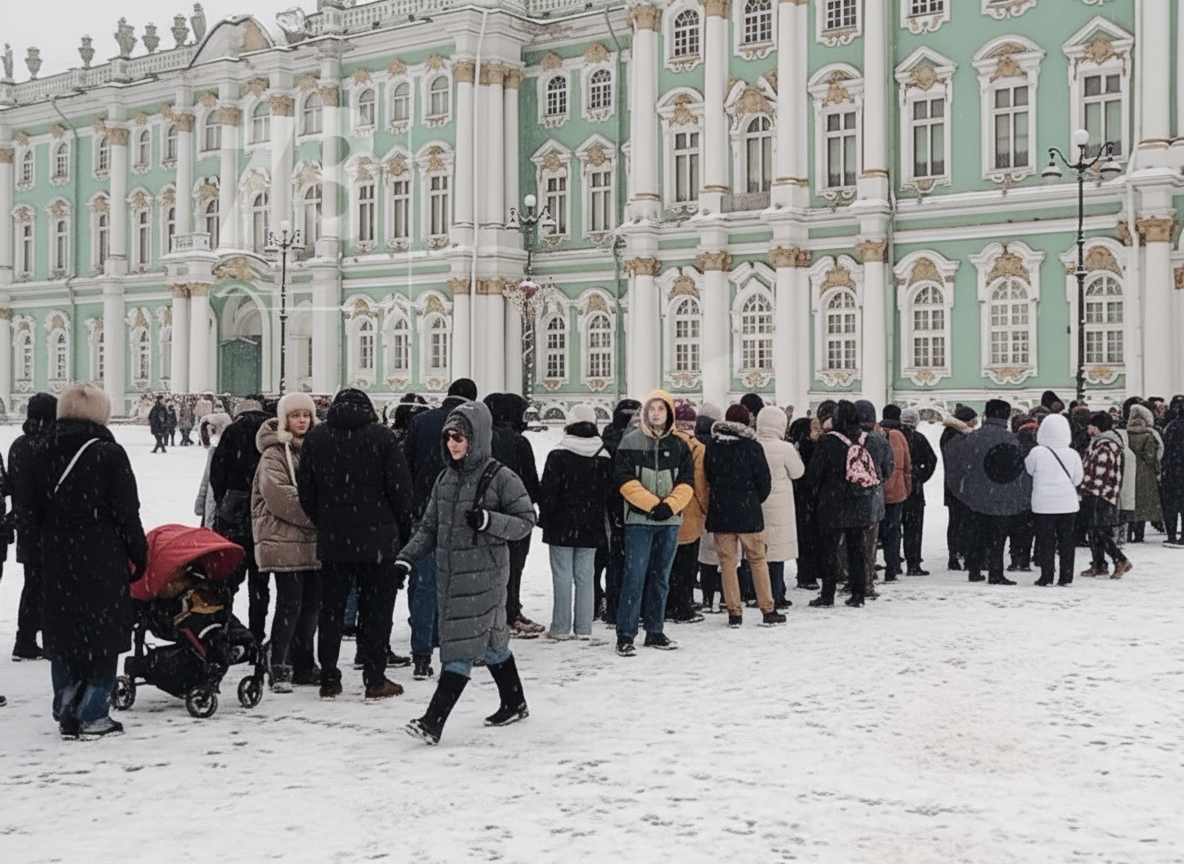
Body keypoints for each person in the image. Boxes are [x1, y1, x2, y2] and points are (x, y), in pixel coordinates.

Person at [398, 401, 536, 745]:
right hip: (452, 576)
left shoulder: (501, 477)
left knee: (459, 649)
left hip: (484, 577)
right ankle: (514, 701)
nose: (452, 444)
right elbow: (430, 527)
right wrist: (406, 559)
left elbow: (525, 522)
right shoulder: (446, 478)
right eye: (448, 438)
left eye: (459, 437)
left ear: (476, 438)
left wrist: (490, 521)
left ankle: (433, 721)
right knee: (492, 645)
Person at [30, 383, 148, 739]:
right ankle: (93, 712)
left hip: (57, 556)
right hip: (101, 556)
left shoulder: (41, 450)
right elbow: (127, 511)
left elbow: (31, 508)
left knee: (64, 633)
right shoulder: (108, 454)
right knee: (103, 635)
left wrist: (44, 547)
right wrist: (138, 554)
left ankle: (66, 707)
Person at [298, 388, 414, 700]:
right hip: (378, 541)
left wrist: (325, 521)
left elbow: (306, 493)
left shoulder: (317, 439)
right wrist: (398, 527)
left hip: (334, 540)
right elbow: (401, 491)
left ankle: (330, 677)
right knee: (376, 609)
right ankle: (375, 678)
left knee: (332, 610)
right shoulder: (383, 438)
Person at [403, 378, 478, 680]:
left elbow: (406, 468)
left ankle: (422, 652)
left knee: (424, 583)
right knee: (463, 584)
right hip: (462, 514)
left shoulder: (421, 422)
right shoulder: (472, 425)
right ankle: (459, 647)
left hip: (425, 512)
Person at [613, 390, 694, 655]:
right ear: (645, 413)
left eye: (661, 408)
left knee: (661, 578)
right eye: (652, 409)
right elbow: (625, 480)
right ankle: (625, 634)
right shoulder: (631, 442)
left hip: (669, 522)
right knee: (634, 578)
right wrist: (652, 505)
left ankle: (655, 630)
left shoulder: (680, 445)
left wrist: (669, 505)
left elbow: (686, 482)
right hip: (639, 521)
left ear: (668, 413)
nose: (656, 413)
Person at [251, 393, 321, 693]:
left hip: (313, 542)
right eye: (296, 416)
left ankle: (304, 662)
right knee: (290, 604)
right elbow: (279, 496)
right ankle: (278, 663)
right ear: (285, 420)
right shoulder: (274, 453)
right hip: (283, 539)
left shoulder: (316, 450)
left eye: (306, 415)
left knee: (312, 606)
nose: (302, 421)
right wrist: (319, 515)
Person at [537, 405, 612, 640]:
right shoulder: (604, 455)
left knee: (561, 576)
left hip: (561, 524)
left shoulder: (558, 454)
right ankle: (584, 627)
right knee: (586, 576)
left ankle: (560, 627)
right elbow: (607, 493)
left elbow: (548, 492)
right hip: (592, 524)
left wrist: (546, 518)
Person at [705, 404, 781, 627]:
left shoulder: (713, 446)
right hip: (748, 512)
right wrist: (754, 500)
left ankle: (734, 612)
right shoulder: (752, 447)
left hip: (721, 512)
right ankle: (767, 609)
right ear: (746, 422)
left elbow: (708, 476)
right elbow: (764, 481)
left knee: (727, 563)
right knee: (758, 561)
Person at [943, 399, 1031, 585]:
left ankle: (974, 569)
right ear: (1006, 417)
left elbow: (957, 460)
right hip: (1001, 494)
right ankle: (995, 572)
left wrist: (965, 488)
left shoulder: (972, 437)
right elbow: (1016, 469)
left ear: (986, 415)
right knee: (997, 537)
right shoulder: (1010, 438)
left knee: (976, 533)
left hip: (976, 495)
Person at [804, 400, 879, 609]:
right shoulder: (864, 439)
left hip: (832, 503)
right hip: (858, 500)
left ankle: (828, 593)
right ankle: (858, 593)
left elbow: (813, 475)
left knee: (829, 549)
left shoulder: (828, 442)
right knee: (857, 549)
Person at [209, 398, 271, 642]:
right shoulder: (271, 432)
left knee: (229, 581)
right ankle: (257, 633)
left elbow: (218, 473)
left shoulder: (232, 432)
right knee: (260, 583)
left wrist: (227, 499)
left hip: (234, 517)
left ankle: (225, 630)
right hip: (265, 515)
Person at [485, 393, 543, 638]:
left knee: (488, 567)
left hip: (486, 516)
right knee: (514, 567)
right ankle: (511, 611)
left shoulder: (483, 438)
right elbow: (530, 480)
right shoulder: (518, 442)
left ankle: (491, 614)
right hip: (515, 515)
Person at [7, 393, 57, 661]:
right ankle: (48, 639)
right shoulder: (51, 445)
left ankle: (24, 638)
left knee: (32, 585)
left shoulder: (19, 445)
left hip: (26, 526)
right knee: (50, 587)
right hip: (49, 528)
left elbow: (13, 485)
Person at [1024, 413, 1084, 586]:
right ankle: (1066, 576)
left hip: (1043, 504)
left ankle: (1047, 575)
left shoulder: (1037, 452)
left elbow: (1029, 470)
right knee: (1067, 541)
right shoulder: (1072, 454)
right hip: (1068, 504)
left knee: (1046, 541)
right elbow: (1077, 479)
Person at [755, 406, 805, 609]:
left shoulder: (754, 444)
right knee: (776, 553)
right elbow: (798, 472)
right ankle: (777, 592)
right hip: (780, 505)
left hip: (758, 503)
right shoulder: (785, 448)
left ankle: (757, 592)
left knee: (758, 552)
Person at [666, 403, 709, 624]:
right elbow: (699, 484)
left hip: (666, 508)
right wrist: (705, 507)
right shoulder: (697, 448)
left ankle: (664, 607)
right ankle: (682, 607)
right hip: (689, 512)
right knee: (686, 566)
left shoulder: (664, 443)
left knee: (665, 564)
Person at [599, 398, 641, 623]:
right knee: (634, 559)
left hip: (611, 507)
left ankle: (613, 607)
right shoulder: (639, 443)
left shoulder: (605, 441)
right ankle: (632, 607)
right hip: (636, 505)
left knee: (614, 558)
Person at [1079, 411, 1133, 579]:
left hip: (1100, 493)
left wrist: (1087, 487)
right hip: (1099, 492)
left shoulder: (1104, 445)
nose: (1087, 429)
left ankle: (1120, 559)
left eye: (1090, 425)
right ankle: (1099, 563)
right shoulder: (1100, 442)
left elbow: (1101, 472)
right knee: (1095, 530)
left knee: (1100, 529)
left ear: (1096, 427)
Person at [854, 401, 894, 598]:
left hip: (850, 497)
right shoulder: (881, 442)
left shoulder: (848, 438)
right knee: (869, 544)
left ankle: (851, 578)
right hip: (873, 498)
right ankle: (868, 582)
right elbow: (888, 468)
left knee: (849, 543)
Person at [899, 408, 937, 576]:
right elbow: (931, 460)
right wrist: (920, 477)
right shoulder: (918, 438)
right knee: (913, 528)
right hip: (914, 489)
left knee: (892, 527)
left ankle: (893, 563)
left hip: (893, 488)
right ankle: (913, 563)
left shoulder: (893, 436)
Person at [877, 405, 913, 582]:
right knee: (893, 531)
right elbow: (907, 465)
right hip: (896, 490)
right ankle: (892, 566)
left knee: (874, 530)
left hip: (875, 490)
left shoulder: (876, 432)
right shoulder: (900, 436)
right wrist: (907, 487)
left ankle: (871, 565)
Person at [787, 416, 821, 590]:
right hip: (810, 498)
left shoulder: (794, 448)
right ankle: (808, 575)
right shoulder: (811, 448)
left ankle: (805, 573)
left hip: (797, 498)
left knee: (804, 538)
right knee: (810, 538)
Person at [1125, 403, 1164, 542]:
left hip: (1129, 470)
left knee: (1129, 502)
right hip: (1144, 472)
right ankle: (1139, 534)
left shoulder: (1126, 434)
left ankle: (1129, 533)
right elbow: (1150, 456)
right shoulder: (1149, 435)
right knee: (1142, 504)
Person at [1161, 397, 1184, 548]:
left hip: (1173, 471)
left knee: (1171, 505)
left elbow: (1166, 449)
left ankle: (1171, 534)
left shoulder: (1172, 427)